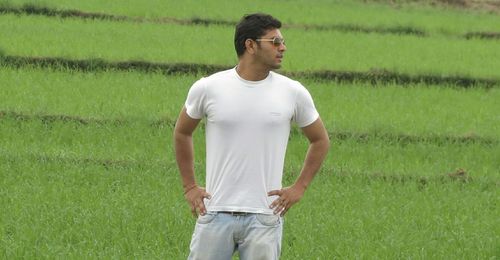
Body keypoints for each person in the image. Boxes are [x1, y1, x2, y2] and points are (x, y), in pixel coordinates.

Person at [174, 13, 330, 260]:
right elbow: (182, 132)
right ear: (250, 45)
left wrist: (299, 187)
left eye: (283, 42)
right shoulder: (208, 88)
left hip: (265, 217)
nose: (283, 48)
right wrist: (190, 187)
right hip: (215, 213)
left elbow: (320, 140)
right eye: (275, 42)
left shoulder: (293, 92)